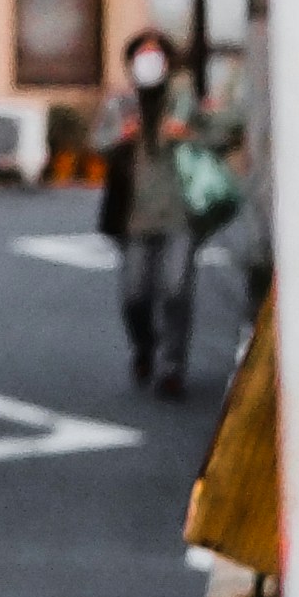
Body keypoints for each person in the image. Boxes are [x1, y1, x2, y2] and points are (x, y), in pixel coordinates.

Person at [96, 29, 200, 398]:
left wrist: (192, 130)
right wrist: (121, 135)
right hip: (134, 218)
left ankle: (173, 367)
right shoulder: (121, 103)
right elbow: (98, 142)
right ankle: (144, 345)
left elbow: (217, 134)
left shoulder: (183, 100)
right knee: (134, 296)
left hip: (180, 214)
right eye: (143, 54)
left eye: (157, 55)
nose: (150, 61)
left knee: (176, 290)